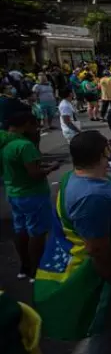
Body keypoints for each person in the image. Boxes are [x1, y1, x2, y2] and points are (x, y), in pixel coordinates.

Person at [34, 130, 111, 354]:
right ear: (102, 153)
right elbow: (98, 249)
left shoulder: (78, 180)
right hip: (96, 275)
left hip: (100, 268)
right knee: (103, 331)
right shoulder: (91, 197)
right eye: (108, 148)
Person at [1, 111, 58, 281]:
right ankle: (36, 269)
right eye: (35, 124)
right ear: (26, 124)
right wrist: (52, 167)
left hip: (13, 192)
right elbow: (34, 173)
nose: (38, 128)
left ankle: (24, 267)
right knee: (37, 233)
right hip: (33, 194)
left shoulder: (5, 143)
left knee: (21, 230)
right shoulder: (24, 145)